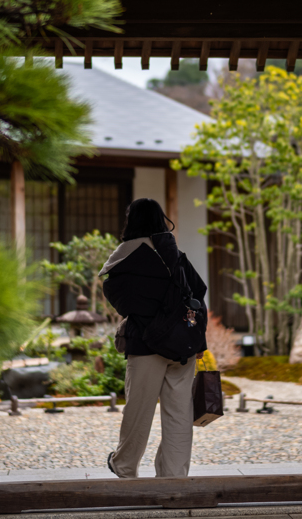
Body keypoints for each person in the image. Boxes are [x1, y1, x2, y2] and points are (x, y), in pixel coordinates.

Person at [101, 198, 207, 478]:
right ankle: (173, 476)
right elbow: (197, 293)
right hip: (182, 346)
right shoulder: (176, 255)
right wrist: (198, 342)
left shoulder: (126, 258)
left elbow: (120, 300)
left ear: (131, 221)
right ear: (161, 220)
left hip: (146, 345)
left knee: (138, 411)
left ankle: (124, 466)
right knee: (179, 414)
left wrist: (149, 319)